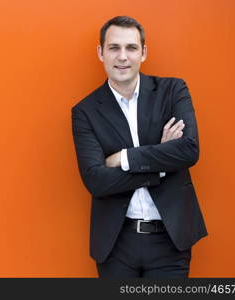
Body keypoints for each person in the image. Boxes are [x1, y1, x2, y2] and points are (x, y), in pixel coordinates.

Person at [71, 16, 207, 278]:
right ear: (101, 53)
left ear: (143, 52)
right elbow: (96, 181)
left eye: (131, 48)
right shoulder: (85, 112)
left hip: (170, 240)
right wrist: (162, 164)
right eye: (114, 48)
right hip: (116, 244)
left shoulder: (172, 91)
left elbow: (189, 150)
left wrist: (123, 158)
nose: (123, 56)